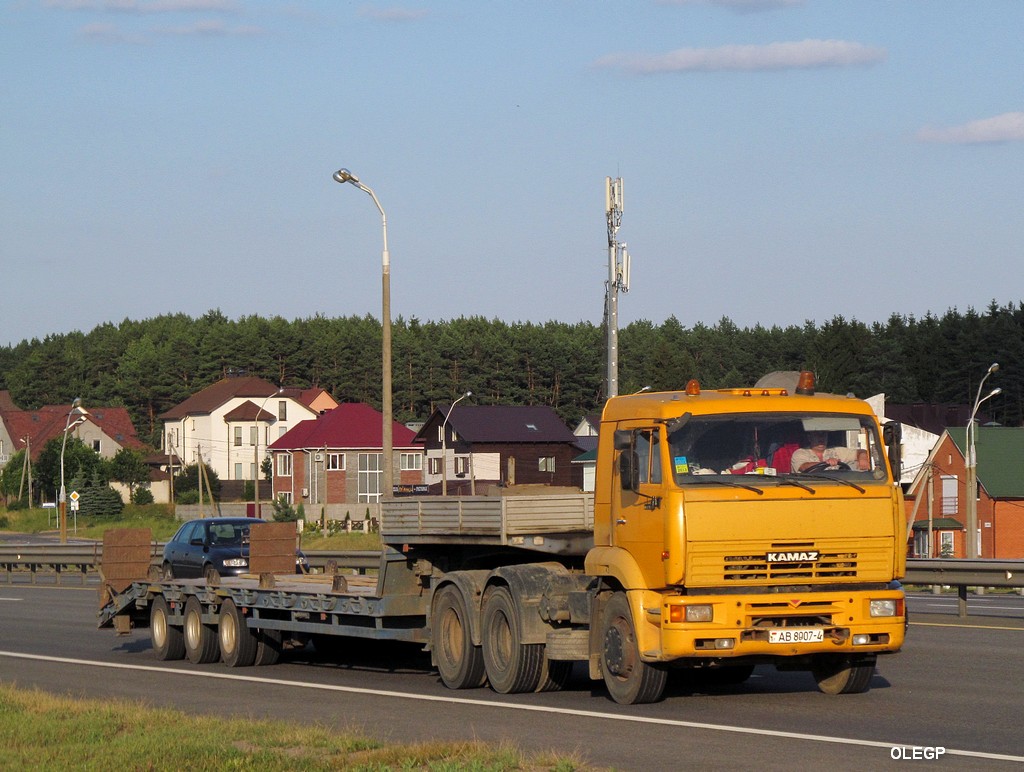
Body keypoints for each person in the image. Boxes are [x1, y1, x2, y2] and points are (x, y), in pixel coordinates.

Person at [791, 431, 869, 472]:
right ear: (809, 437)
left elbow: (860, 451)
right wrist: (826, 463)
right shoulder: (800, 453)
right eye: (817, 435)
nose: (821, 439)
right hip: (808, 489)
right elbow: (804, 467)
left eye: (823, 435)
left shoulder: (836, 451)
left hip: (837, 487)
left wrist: (863, 458)